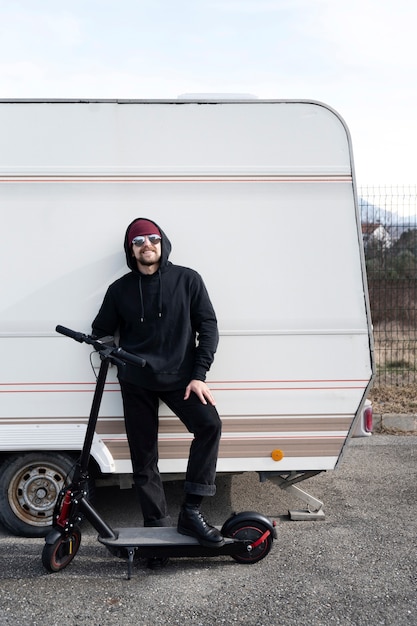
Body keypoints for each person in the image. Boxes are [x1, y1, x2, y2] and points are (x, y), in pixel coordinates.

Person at [92, 217, 224, 562]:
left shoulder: (188, 279)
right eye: (138, 241)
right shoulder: (120, 289)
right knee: (144, 455)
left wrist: (199, 375)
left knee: (210, 425)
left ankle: (191, 511)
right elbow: (100, 331)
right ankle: (156, 527)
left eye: (152, 238)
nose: (146, 245)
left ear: (162, 242)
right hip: (136, 382)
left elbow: (207, 327)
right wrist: (114, 354)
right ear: (131, 249)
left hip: (182, 377)